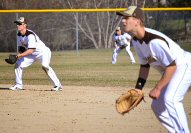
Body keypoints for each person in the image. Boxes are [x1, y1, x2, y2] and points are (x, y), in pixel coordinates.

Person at [117, 6, 191, 133]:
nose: (123, 21)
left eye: (126, 17)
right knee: (157, 106)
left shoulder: (154, 41)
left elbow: (172, 66)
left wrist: (158, 88)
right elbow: (144, 65)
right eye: (123, 18)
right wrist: (138, 88)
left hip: (184, 65)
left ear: (137, 21)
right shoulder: (136, 41)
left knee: (170, 99)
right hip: (171, 70)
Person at [10, 17, 62, 91]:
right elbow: (21, 49)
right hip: (32, 54)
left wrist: (19, 55)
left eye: (19, 24)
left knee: (45, 66)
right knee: (18, 64)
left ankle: (58, 85)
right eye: (17, 24)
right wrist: (18, 57)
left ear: (24, 25)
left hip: (43, 52)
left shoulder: (30, 35)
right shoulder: (19, 35)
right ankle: (18, 85)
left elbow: (31, 50)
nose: (18, 25)